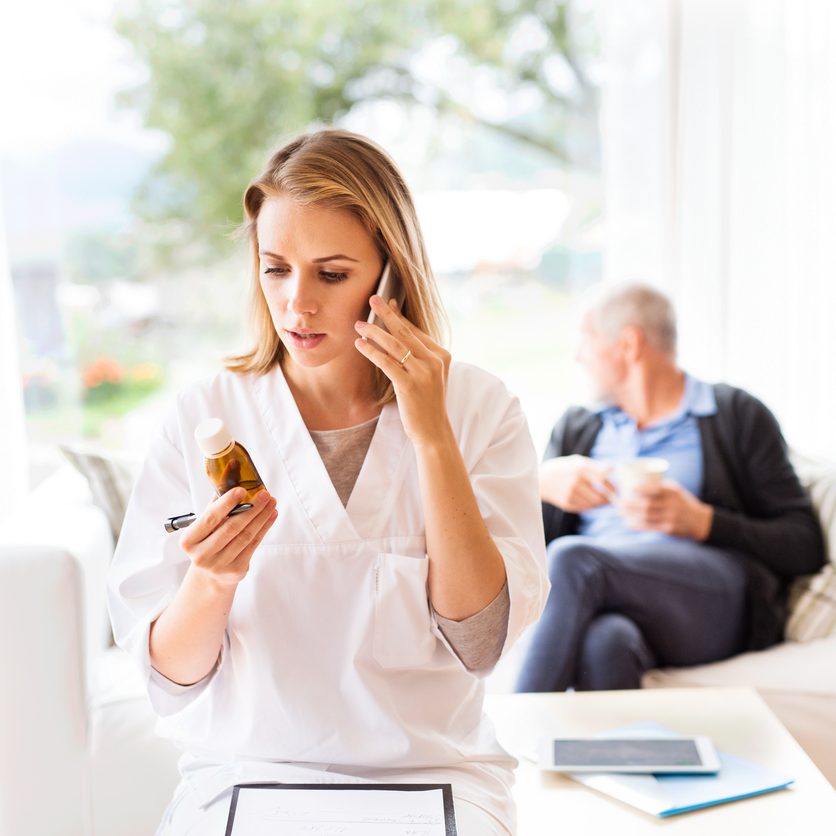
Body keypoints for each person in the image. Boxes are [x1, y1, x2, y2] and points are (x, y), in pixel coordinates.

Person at [107, 129, 549, 835]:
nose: (297, 306)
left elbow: (482, 643)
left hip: (431, 775)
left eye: (332, 274)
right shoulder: (206, 417)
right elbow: (171, 677)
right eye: (276, 269)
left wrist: (430, 433)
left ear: (391, 275)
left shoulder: (479, 409)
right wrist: (214, 581)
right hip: (248, 775)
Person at [516, 283, 824, 693]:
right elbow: (526, 550)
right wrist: (540, 484)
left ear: (628, 344)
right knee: (606, 643)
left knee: (576, 559)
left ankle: (513, 743)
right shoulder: (578, 428)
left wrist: (703, 522)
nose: (579, 357)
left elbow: (804, 544)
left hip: (708, 601)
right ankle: (615, 756)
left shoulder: (735, 414)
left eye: (587, 340)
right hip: (611, 600)